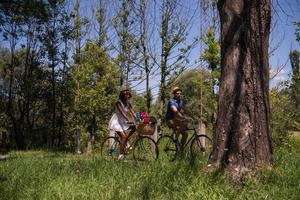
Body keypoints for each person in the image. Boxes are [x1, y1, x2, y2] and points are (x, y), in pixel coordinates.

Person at [108, 89, 136, 160]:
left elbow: (133, 112)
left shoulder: (128, 103)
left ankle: (126, 140)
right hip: (116, 122)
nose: (128, 96)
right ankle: (121, 156)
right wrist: (128, 119)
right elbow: (122, 112)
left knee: (134, 127)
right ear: (123, 95)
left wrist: (139, 118)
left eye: (129, 94)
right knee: (123, 137)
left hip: (123, 121)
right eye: (127, 94)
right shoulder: (118, 103)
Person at [165, 87, 194, 152]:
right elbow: (175, 110)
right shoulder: (171, 101)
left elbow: (186, 110)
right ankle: (175, 139)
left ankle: (180, 149)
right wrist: (183, 117)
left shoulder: (181, 102)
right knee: (182, 122)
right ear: (174, 94)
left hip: (176, 120)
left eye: (180, 93)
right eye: (178, 93)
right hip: (169, 120)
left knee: (185, 134)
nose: (179, 94)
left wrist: (193, 117)